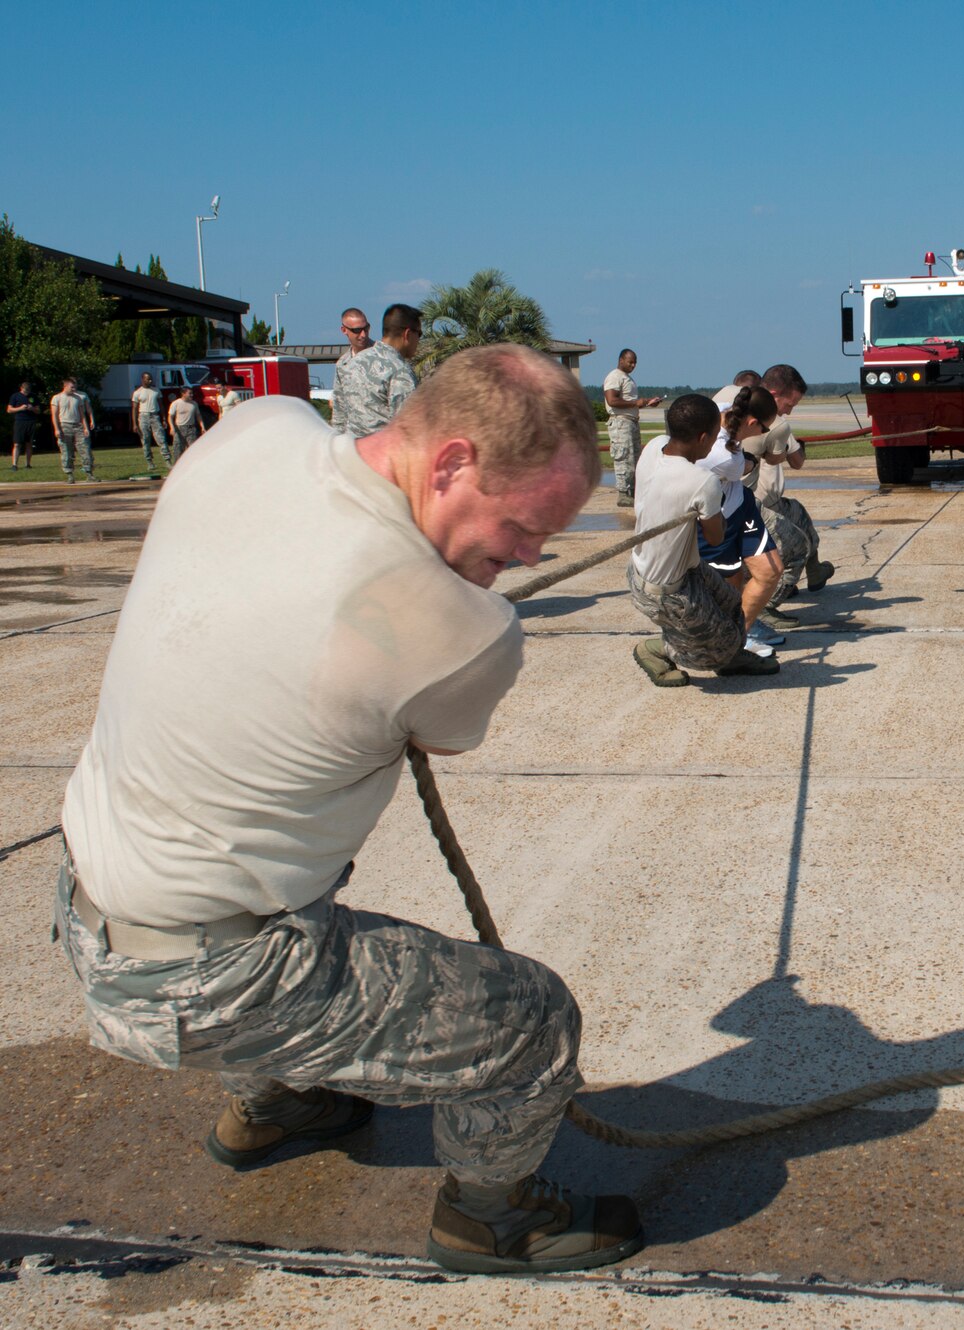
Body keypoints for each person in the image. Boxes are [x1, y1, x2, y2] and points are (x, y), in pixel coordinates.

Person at [56, 344, 642, 1275]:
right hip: (207, 980)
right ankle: (491, 1219)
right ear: (451, 462)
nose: (530, 556)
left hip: (85, 902)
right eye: (524, 527)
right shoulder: (467, 630)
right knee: (533, 1020)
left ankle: (278, 1098)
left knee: (300, 865)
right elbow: (440, 733)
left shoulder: (254, 431)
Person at [628, 394, 773, 685]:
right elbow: (716, 537)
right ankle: (656, 650)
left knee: (732, 601)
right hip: (664, 590)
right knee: (709, 655)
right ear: (705, 437)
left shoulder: (655, 446)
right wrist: (710, 508)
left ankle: (731, 650)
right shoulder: (701, 481)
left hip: (653, 568)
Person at [740, 363, 833, 622]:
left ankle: (813, 572)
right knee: (795, 546)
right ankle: (766, 605)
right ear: (773, 394)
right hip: (753, 503)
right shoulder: (775, 423)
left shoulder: (762, 416)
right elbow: (795, 461)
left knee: (799, 514)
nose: (789, 411)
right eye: (789, 404)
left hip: (769, 499)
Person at [700, 386, 786, 654]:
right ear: (751, 422)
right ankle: (732, 641)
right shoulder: (724, 457)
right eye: (763, 429)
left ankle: (741, 632)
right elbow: (744, 465)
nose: (763, 434)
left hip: (741, 505)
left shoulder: (725, 409)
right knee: (730, 583)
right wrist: (749, 460)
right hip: (715, 520)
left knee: (770, 571)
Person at [332, 303, 421, 435]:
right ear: (407, 334)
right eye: (419, 334)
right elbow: (409, 427)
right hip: (382, 451)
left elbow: (339, 418)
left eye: (365, 328)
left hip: (351, 450)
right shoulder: (399, 370)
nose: (362, 335)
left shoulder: (351, 365)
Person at [601, 349, 664, 508]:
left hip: (631, 421)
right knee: (624, 457)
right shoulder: (614, 377)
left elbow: (630, 402)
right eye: (630, 361)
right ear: (621, 360)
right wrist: (636, 403)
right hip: (620, 423)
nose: (633, 365)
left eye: (635, 362)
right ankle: (623, 493)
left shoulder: (627, 379)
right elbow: (612, 400)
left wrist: (647, 402)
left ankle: (633, 491)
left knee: (634, 458)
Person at [330, 308, 374, 434]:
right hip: (353, 441)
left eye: (366, 328)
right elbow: (339, 408)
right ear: (344, 330)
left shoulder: (385, 357)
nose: (363, 335)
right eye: (357, 331)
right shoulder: (343, 365)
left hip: (381, 441)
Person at [49, 376, 96, 483]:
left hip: (78, 426)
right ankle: (69, 474)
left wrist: (85, 427)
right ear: (65, 386)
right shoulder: (57, 398)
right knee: (66, 451)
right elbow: (54, 415)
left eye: (74, 386)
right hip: (64, 425)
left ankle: (89, 473)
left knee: (85, 449)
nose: (74, 388)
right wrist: (57, 429)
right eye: (71, 387)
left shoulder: (78, 398)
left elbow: (82, 414)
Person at [130, 372, 171, 471]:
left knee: (161, 439)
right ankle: (149, 462)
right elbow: (134, 409)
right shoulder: (137, 392)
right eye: (148, 379)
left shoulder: (156, 391)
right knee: (145, 440)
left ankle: (168, 461)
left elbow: (161, 405)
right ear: (143, 379)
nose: (150, 381)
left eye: (151, 379)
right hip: (143, 416)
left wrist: (164, 419)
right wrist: (135, 423)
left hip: (155, 416)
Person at [167, 387, 205, 462]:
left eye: (192, 393)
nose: (192, 395)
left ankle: (192, 465)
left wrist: (202, 427)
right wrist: (172, 427)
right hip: (179, 429)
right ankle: (177, 467)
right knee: (177, 450)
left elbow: (198, 416)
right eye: (189, 393)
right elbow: (170, 417)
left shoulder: (194, 404)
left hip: (191, 429)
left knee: (192, 449)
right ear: (183, 394)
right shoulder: (176, 403)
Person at [8, 381, 34, 470]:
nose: (27, 392)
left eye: (28, 390)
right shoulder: (15, 396)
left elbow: (38, 410)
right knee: (17, 443)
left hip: (30, 421)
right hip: (20, 421)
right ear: (21, 388)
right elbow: (9, 410)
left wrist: (32, 408)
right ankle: (14, 464)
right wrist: (20, 408)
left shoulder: (33, 396)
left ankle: (28, 464)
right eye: (25, 390)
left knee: (29, 443)